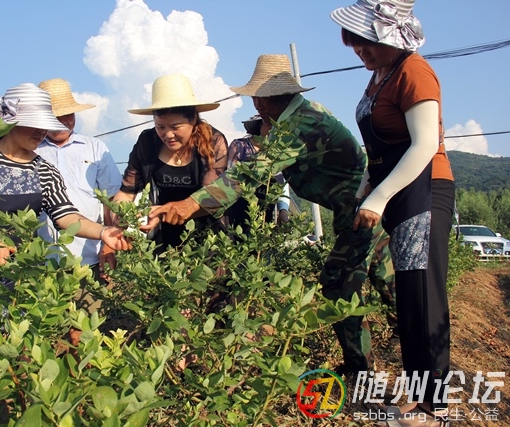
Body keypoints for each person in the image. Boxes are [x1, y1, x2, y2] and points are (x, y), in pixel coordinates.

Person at [146, 55, 385, 376]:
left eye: (256, 96)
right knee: (372, 279)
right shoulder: (302, 116)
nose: (254, 104)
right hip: (353, 210)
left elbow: (250, 175)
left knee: (342, 285)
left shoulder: (301, 125)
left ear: (269, 97)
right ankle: (379, 351)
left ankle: (365, 369)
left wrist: (190, 204)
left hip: (364, 210)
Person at [331, 0, 455, 424]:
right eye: (355, 43)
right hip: (398, 191)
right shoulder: (379, 77)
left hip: (424, 189)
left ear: (390, 37)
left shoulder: (414, 71)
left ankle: (432, 407)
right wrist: (368, 186)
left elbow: (422, 145)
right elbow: (380, 150)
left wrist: (378, 198)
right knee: (409, 297)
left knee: (424, 297)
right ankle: (419, 396)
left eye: (367, 42)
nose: (359, 51)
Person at [0, 83, 131, 265]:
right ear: (12, 122)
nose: (42, 131)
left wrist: (103, 231)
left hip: (24, 273)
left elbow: (65, 215)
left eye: (45, 125)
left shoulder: (44, 169)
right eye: (35, 124)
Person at [112, 74, 228, 253]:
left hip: (208, 238)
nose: (168, 135)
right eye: (161, 127)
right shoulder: (147, 142)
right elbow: (126, 192)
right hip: (162, 237)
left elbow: (214, 197)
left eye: (175, 127)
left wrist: (167, 211)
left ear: (193, 120)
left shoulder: (214, 142)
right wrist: (119, 214)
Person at [35, 78, 123, 313]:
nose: (64, 121)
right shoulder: (29, 151)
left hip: (87, 257)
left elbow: (111, 199)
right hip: (40, 260)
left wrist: (108, 244)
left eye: (68, 114)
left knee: (86, 331)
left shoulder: (94, 148)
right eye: (56, 116)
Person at [226, 115, 291, 233]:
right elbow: (229, 179)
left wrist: (283, 210)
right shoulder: (240, 146)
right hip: (239, 209)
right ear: (259, 125)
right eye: (268, 124)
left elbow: (282, 185)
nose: (272, 129)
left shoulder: (279, 153)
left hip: (265, 211)